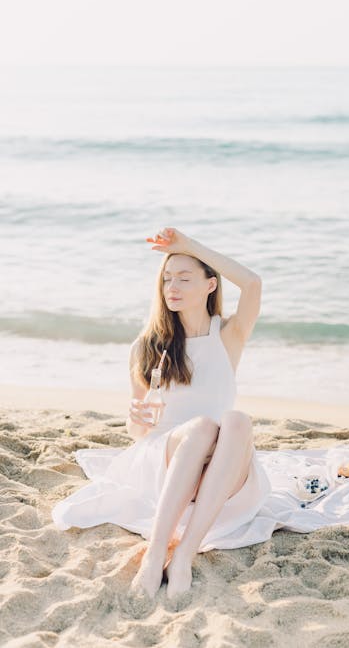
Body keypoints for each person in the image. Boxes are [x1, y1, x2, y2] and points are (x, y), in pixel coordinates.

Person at [52, 226, 271, 601]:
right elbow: (137, 433)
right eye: (167, 278)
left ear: (211, 285)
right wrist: (137, 418)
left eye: (185, 278)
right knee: (202, 427)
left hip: (221, 470)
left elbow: (252, 283)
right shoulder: (148, 347)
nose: (173, 286)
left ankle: (183, 554)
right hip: (165, 458)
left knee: (236, 421)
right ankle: (157, 552)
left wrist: (187, 245)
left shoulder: (228, 336)